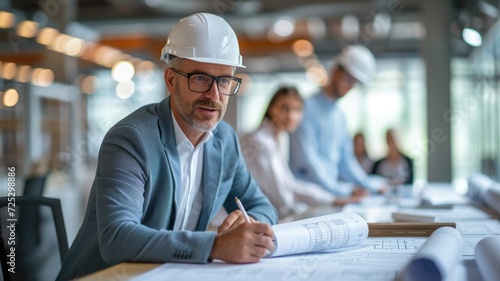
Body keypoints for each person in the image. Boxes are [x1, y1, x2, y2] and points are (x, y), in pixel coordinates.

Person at [56, 13, 277, 280]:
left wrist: (247, 223)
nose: (214, 95)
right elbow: (117, 237)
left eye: (224, 80)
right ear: (171, 80)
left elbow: (263, 206)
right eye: (199, 78)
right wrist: (216, 246)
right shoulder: (130, 139)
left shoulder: (225, 140)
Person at [241, 87, 365, 220]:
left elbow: (290, 184)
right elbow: (282, 197)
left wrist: (333, 199)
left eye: (297, 110)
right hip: (247, 218)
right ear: (271, 109)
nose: (290, 115)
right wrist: (308, 211)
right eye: (284, 108)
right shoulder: (261, 142)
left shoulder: (279, 139)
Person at [289, 45, 385, 197]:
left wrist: (369, 185)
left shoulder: (340, 117)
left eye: (354, 83)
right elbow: (309, 163)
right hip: (306, 198)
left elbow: (346, 162)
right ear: (335, 70)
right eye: (348, 79)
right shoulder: (305, 108)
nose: (349, 86)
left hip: (330, 195)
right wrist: (343, 190)